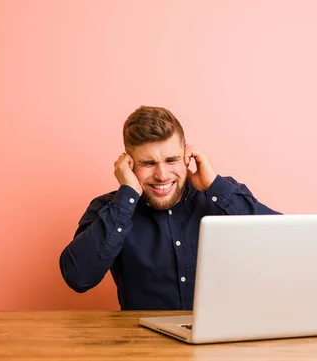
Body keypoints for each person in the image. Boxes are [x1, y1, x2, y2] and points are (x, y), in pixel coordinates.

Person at [59, 105, 281, 310]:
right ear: (128, 164)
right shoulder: (111, 209)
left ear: (187, 155)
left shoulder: (223, 196)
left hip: (224, 347)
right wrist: (126, 197)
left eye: (171, 160)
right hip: (144, 348)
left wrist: (215, 187)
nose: (162, 175)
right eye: (148, 163)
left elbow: (283, 245)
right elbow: (78, 278)